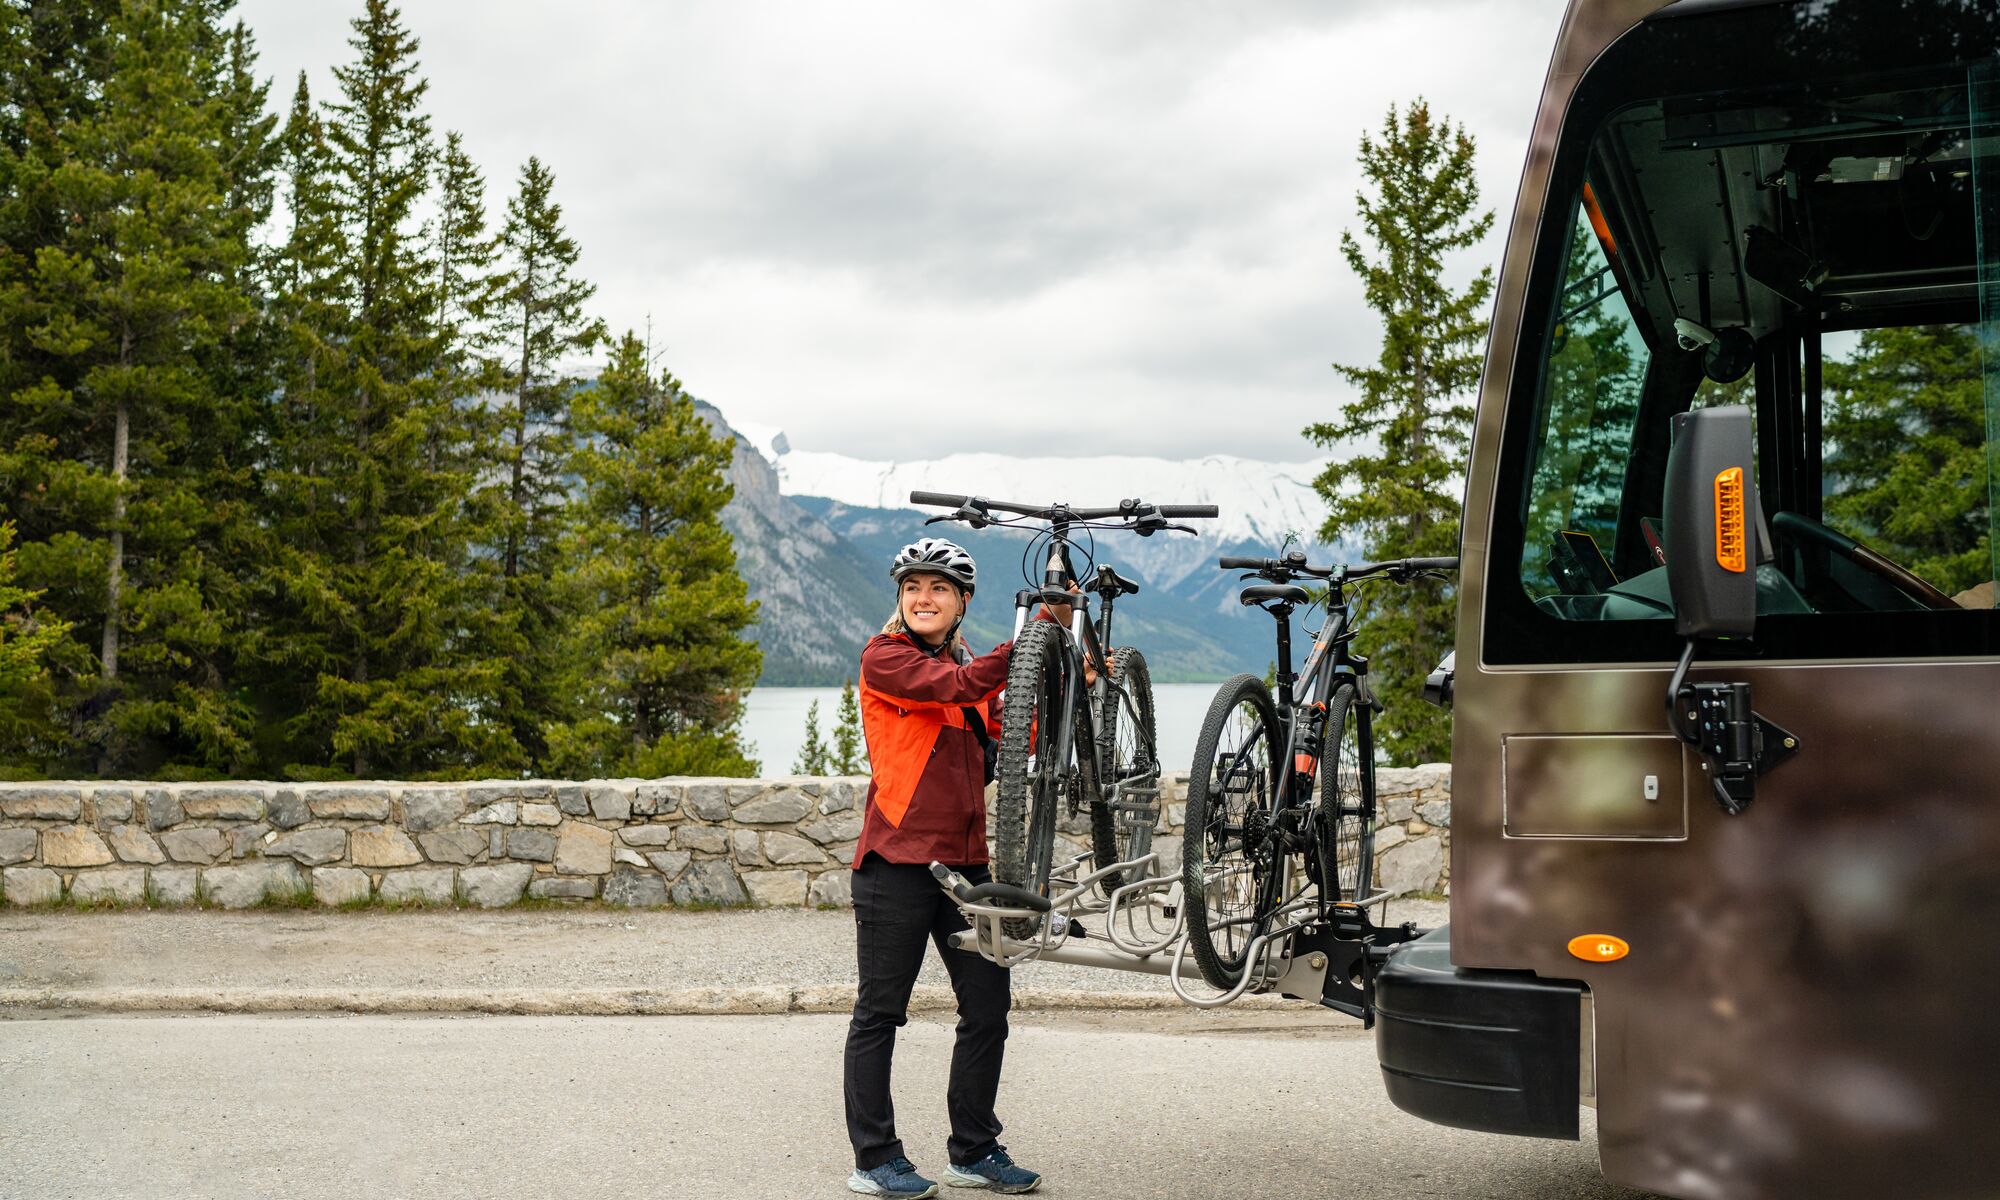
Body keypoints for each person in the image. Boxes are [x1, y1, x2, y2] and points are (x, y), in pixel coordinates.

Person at [843, 537, 1044, 1198]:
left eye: (939, 589)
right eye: (913, 588)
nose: (923, 598)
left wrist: (1053, 678)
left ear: (962, 603)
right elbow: (957, 684)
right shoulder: (887, 657)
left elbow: (1010, 742)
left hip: (966, 870)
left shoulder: (964, 671)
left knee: (987, 1008)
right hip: (895, 864)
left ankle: (974, 1149)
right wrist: (1024, 646)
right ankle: (875, 1158)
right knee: (881, 1014)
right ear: (901, 599)